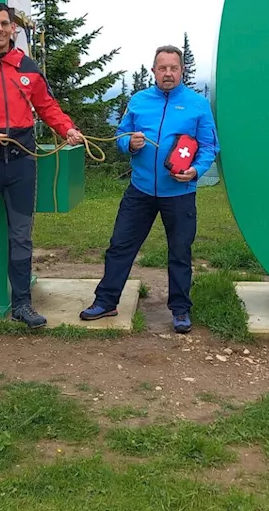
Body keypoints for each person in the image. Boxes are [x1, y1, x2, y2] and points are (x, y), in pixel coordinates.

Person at [0, 2, 84, 339]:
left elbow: (47, 106)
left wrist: (67, 129)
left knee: (21, 236)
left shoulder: (28, 67)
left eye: (5, 24)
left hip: (22, 161)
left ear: (13, 29)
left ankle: (22, 305)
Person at [79, 45, 219, 333]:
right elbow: (121, 134)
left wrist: (196, 170)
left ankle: (180, 310)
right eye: (162, 68)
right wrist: (129, 144)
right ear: (154, 70)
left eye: (173, 68)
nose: (168, 73)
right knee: (120, 246)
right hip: (140, 190)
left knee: (180, 252)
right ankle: (106, 301)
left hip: (180, 193)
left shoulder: (197, 104)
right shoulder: (139, 100)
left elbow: (209, 146)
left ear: (182, 70)